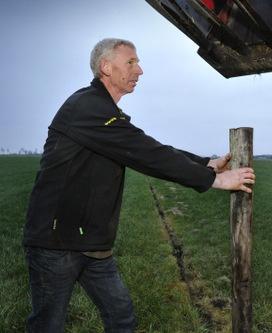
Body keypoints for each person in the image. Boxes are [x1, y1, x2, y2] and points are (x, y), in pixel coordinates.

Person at [22, 38, 255, 332]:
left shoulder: (105, 113)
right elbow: (144, 152)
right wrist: (214, 179)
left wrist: (204, 162)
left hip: (91, 243)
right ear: (106, 67)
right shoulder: (86, 107)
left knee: (121, 317)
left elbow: (143, 144)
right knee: (47, 325)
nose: (140, 70)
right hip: (55, 243)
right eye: (131, 62)